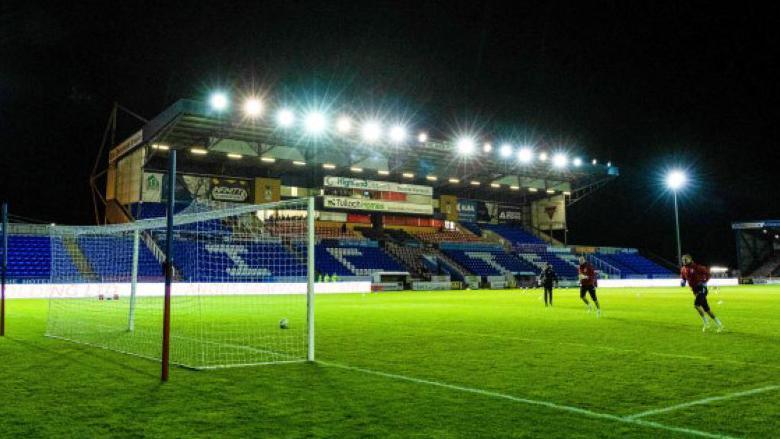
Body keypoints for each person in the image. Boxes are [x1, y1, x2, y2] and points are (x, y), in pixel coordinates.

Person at [680, 254, 724, 332]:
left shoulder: (696, 267)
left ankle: (706, 323)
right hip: (695, 290)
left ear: (690, 259)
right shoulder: (683, 269)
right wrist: (682, 282)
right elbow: (683, 278)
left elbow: (708, 274)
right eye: (683, 260)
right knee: (707, 309)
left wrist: (704, 281)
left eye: (685, 259)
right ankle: (720, 324)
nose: (684, 261)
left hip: (702, 289)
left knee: (696, 305)